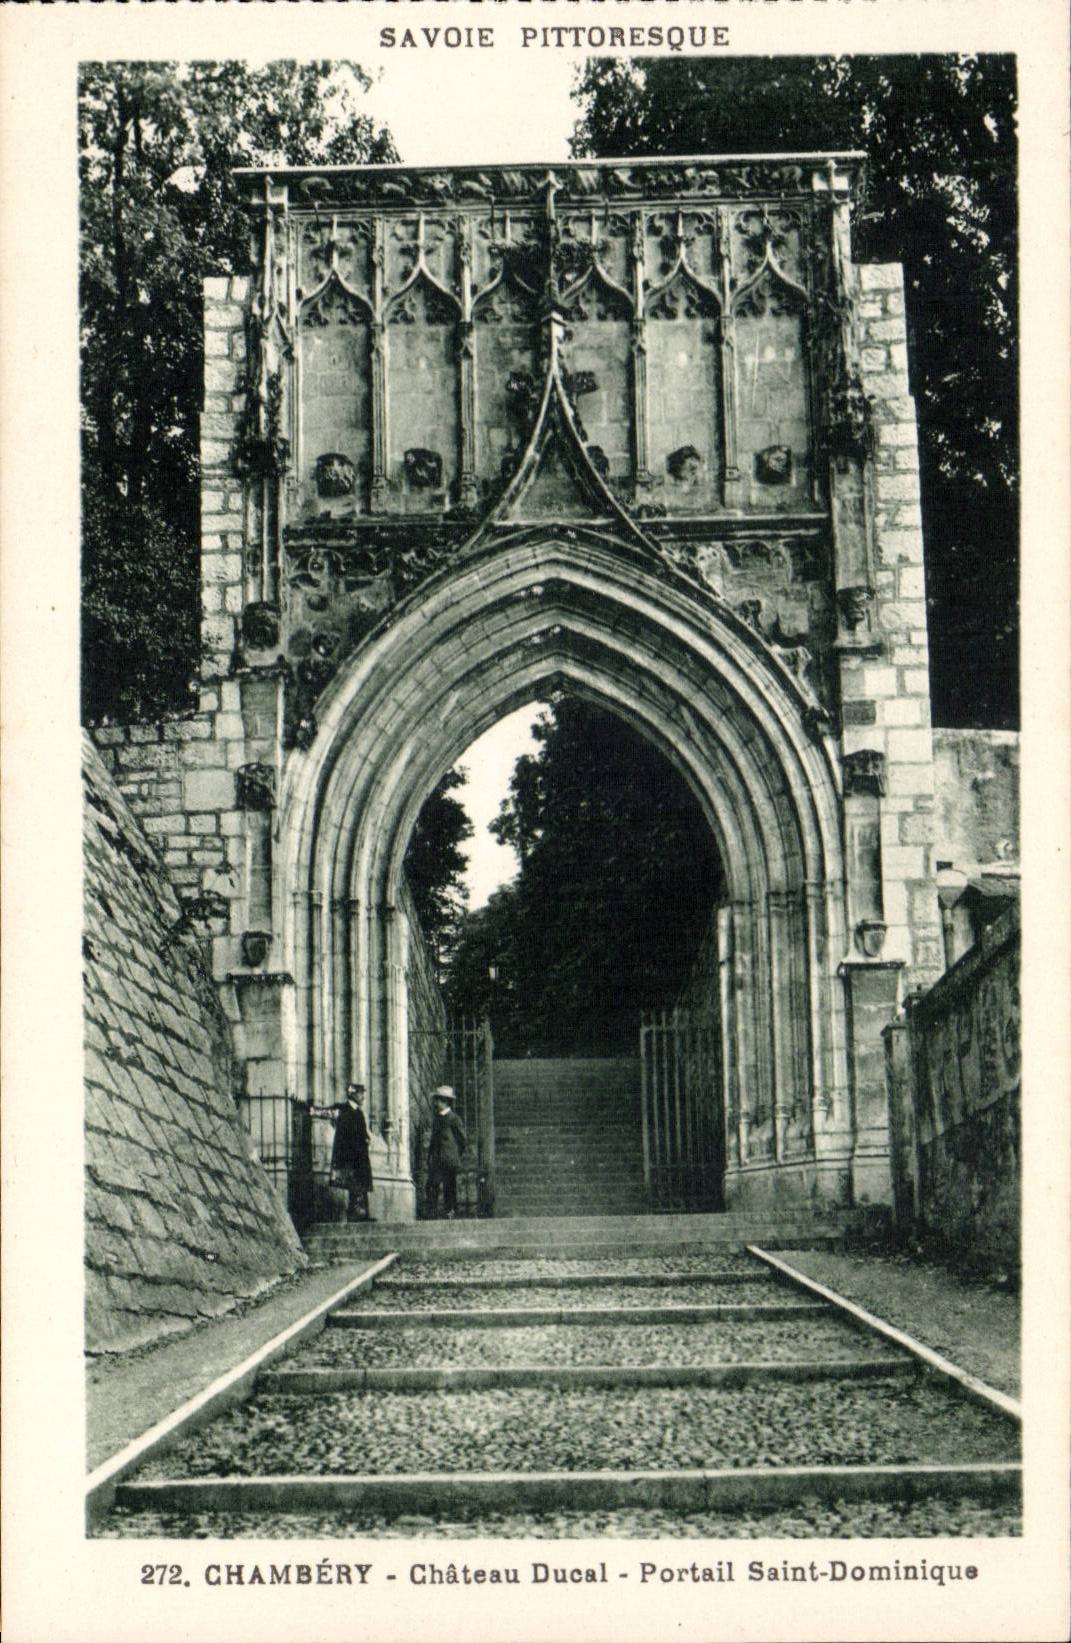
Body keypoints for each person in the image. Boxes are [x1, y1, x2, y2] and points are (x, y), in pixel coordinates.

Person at [310, 1083, 373, 1222]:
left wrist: (366, 1139)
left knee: (360, 1185)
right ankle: (356, 1214)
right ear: (353, 1094)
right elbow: (325, 1112)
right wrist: (311, 1110)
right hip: (349, 1157)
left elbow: (362, 1133)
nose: (363, 1097)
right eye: (360, 1093)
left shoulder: (359, 1112)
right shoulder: (343, 1109)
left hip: (360, 1156)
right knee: (354, 1185)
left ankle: (362, 1214)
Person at [425, 1085, 467, 1220]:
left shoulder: (454, 1119)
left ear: (446, 1102)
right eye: (436, 1100)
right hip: (437, 1159)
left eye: (439, 1100)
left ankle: (451, 1212)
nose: (436, 1103)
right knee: (432, 1185)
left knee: (450, 1187)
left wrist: (454, 1155)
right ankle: (432, 1212)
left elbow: (463, 1140)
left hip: (448, 1160)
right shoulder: (437, 1118)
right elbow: (433, 1140)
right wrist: (430, 1155)